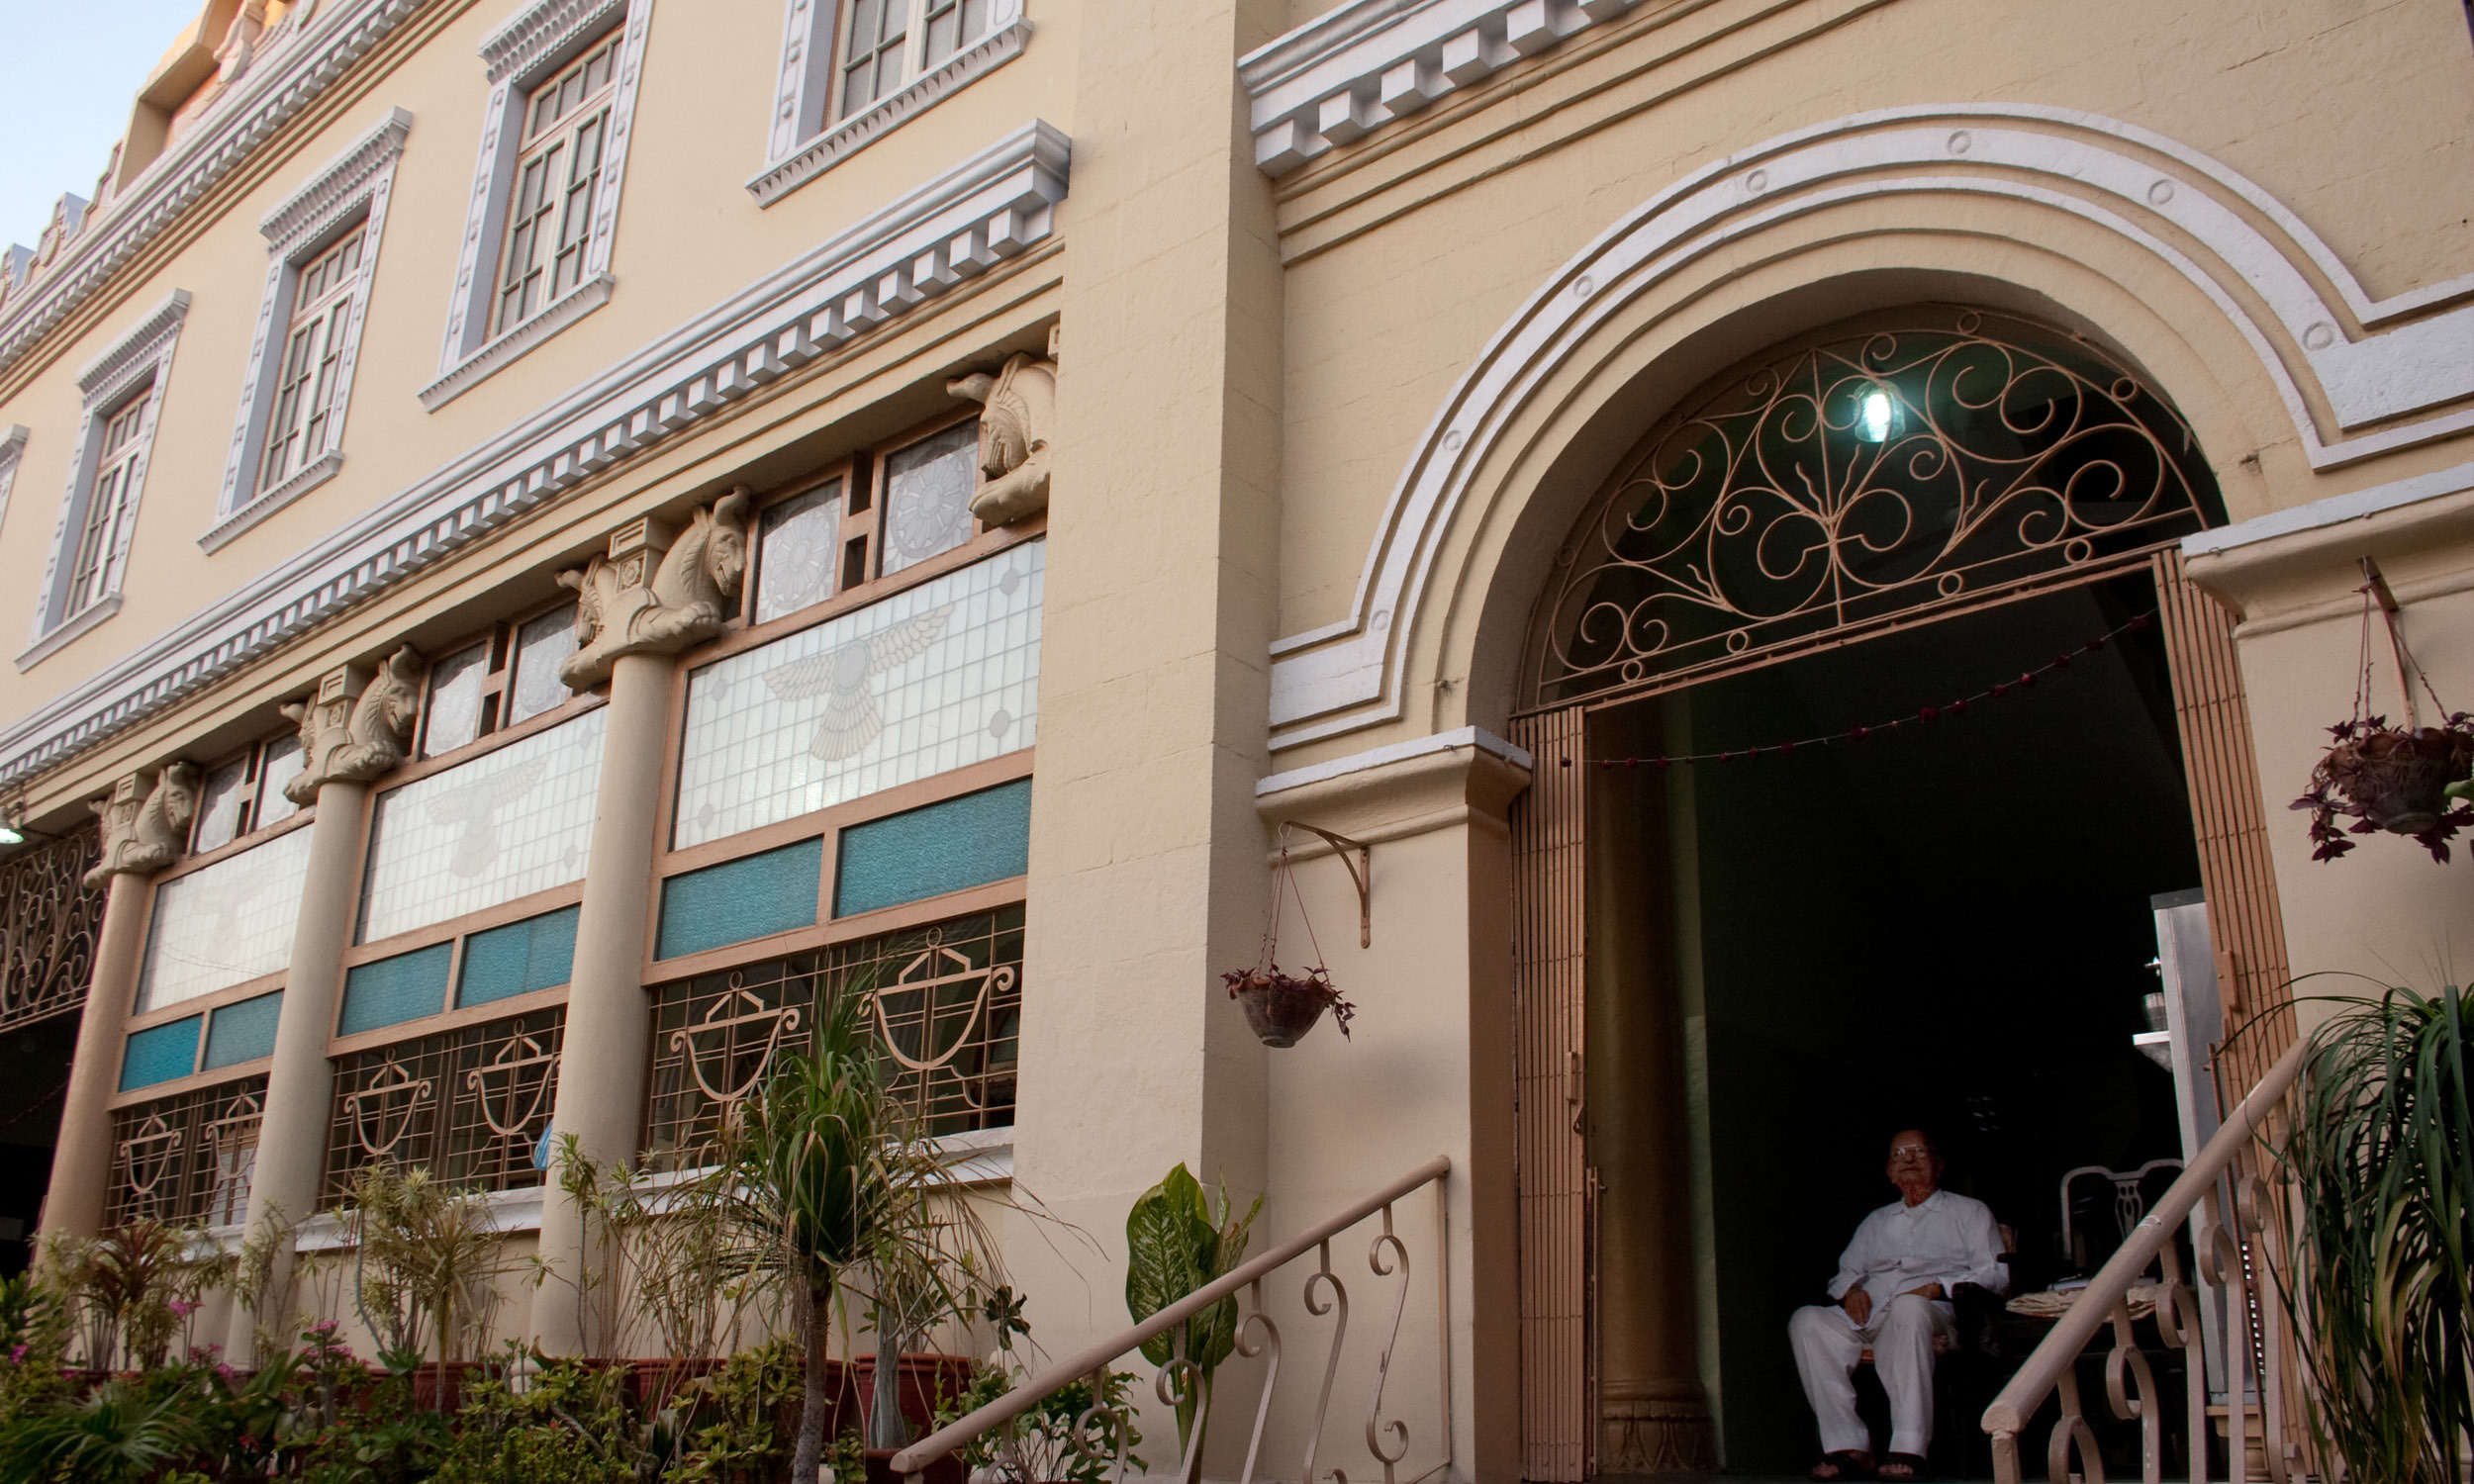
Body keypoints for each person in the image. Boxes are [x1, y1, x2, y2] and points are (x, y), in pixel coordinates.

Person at [1791, 1129, 2009, 1481]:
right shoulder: (1876, 1222)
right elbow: (1845, 1273)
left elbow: (1995, 1275)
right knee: (1807, 1321)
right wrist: (1852, 1291)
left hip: (1935, 1313)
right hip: (1870, 1315)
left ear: (1938, 1165)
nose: (1908, 1159)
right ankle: (1849, 1447)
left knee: (1908, 1309)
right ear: (1890, 1173)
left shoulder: (1968, 1212)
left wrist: (1939, 1287)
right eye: (1898, 1154)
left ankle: (1909, 1447)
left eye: (1918, 1152)